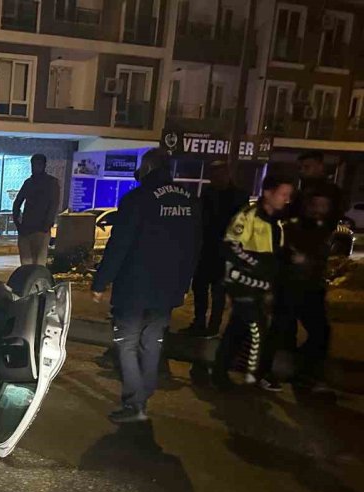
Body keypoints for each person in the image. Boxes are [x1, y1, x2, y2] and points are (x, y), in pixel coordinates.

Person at [91, 149, 202, 423]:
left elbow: (119, 245)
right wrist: (184, 282)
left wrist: (101, 281)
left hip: (135, 288)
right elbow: (195, 247)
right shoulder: (189, 201)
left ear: (149, 166)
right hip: (167, 289)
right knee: (152, 342)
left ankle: (134, 402)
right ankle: (144, 394)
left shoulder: (137, 200)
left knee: (126, 343)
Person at [211, 175, 292, 390]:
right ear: (268, 193)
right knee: (256, 328)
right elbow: (230, 246)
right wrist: (255, 265)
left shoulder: (276, 223)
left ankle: (223, 372)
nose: (286, 199)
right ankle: (250, 374)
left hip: (261, 285)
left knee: (239, 329)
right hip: (243, 283)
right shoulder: (248, 217)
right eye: (283, 194)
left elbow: (277, 256)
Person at [260, 192, 335, 392]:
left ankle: (303, 371)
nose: (319, 210)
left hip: (311, 290)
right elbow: (278, 257)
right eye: (316, 205)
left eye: (324, 205)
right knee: (278, 332)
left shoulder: (323, 229)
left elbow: (318, 260)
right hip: (289, 289)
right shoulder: (291, 227)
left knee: (321, 332)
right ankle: (265, 373)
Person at [182, 161, 249, 338]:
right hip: (206, 250)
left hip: (223, 253)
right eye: (213, 175)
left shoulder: (238, 196)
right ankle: (199, 323)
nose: (215, 179)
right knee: (200, 288)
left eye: (218, 175)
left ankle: (212, 327)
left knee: (218, 293)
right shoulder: (208, 194)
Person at [12, 154, 60, 266]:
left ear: (43, 165)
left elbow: (54, 204)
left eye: (38, 164)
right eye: (33, 164)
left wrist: (46, 225)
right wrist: (18, 224)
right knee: (26, 263)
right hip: (26, 228)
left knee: (39, 263)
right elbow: (17, 202)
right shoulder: (28, 183)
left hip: (41, 230)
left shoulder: (51, 182)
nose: (35, 167)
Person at [296, 151, 345, 223]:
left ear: (320, 167)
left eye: (307, 167)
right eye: (300, 168)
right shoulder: (302, 190)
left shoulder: (328, 190)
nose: (302, 171)